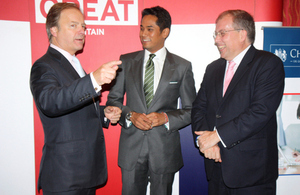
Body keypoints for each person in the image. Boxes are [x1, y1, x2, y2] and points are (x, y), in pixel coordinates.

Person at [30, 3, 122, 195]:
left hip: (86, 172)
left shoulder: (73, 63)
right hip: (65, 176)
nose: (82, 31)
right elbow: (51, 102)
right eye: (73, 25)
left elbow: (74, 106)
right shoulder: (43, 66)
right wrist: (93, 80)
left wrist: (102, 112)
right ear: (53, 30)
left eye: (83, 26)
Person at [191, 10, 284, 194]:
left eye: (222, 33)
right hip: (216, 168)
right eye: (216, 34)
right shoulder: (213, 69)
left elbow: (260, 112)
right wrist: (207, 142)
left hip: (252, 175)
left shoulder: (268, 64)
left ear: (243, 34)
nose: (216, 40)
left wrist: (217, 136)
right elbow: (198, 108)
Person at [106, 6, 196, 195]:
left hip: (164, 151)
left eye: (149, 29)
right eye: (141, 28)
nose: (143, 34)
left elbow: (191, 110)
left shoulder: (182, 66)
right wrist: (130, 116)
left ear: (165, 32)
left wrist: (165, 118)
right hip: (131, 150)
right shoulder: (126, 61)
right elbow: (113, 101)